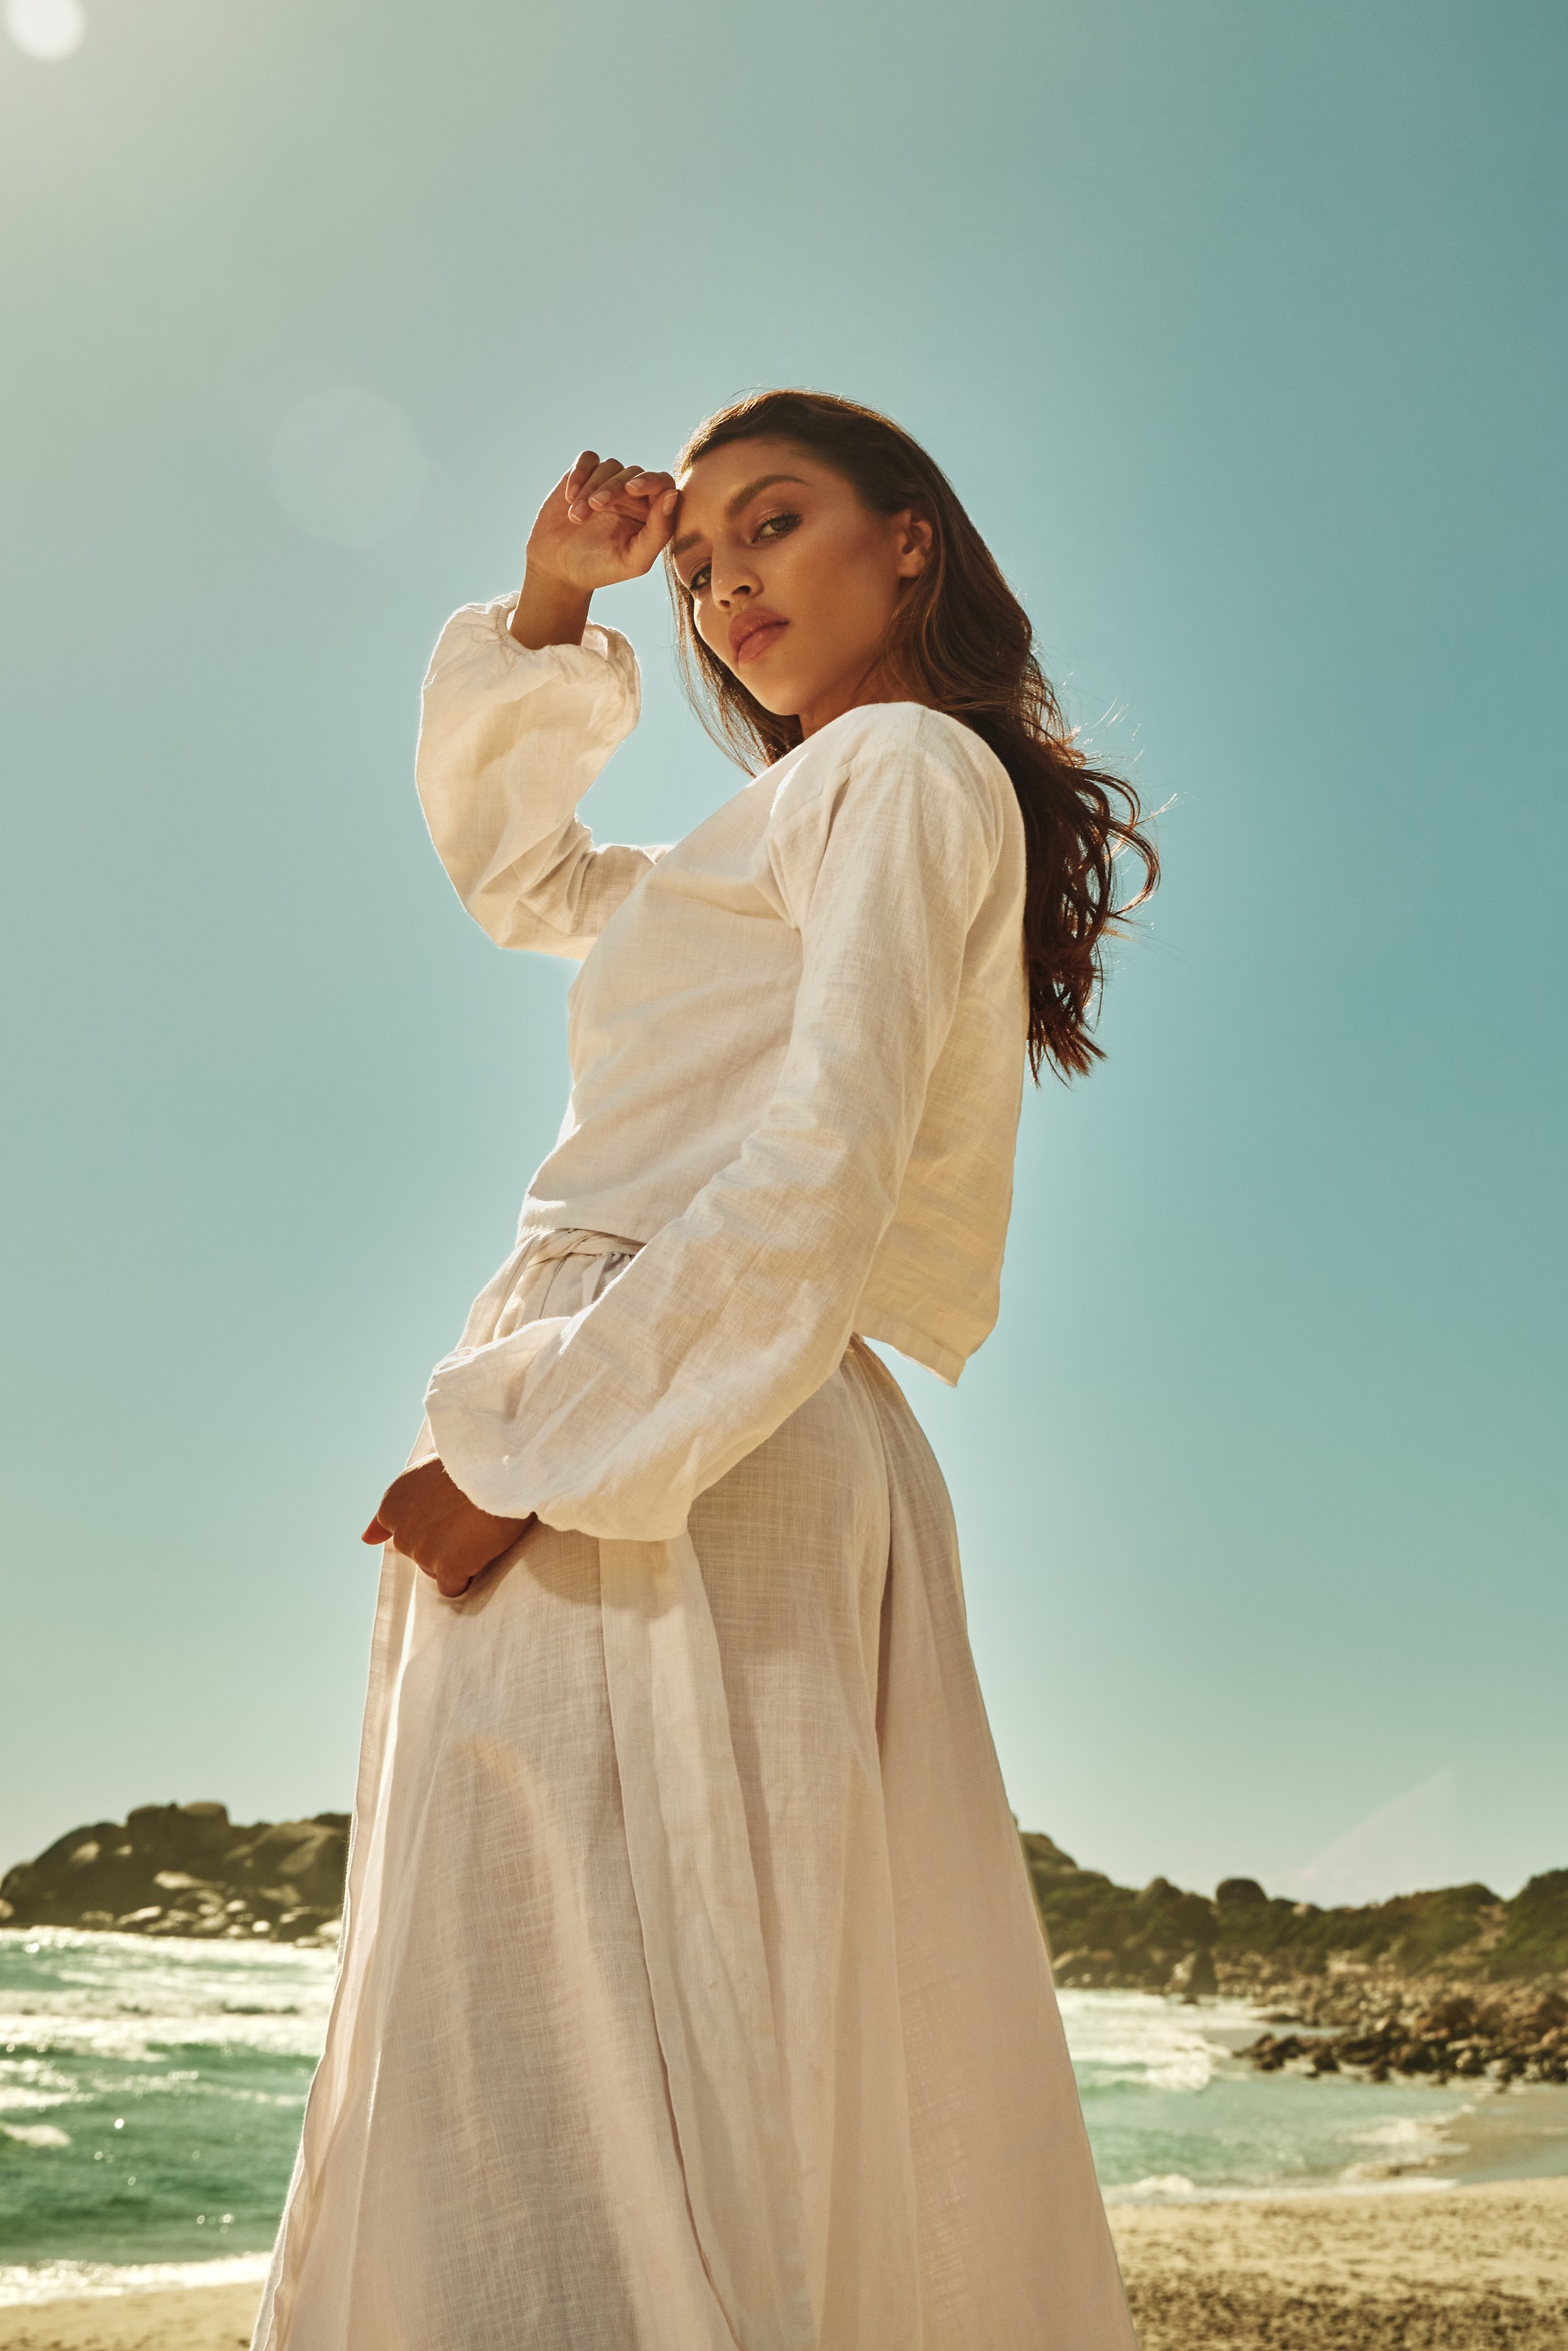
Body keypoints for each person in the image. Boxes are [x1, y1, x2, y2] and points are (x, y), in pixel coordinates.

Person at [252, 390, 1158, 2351]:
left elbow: (815, 1164)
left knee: (587, 2061)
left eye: (774, 522)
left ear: (908, 536)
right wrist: (551, 594)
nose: (727, 581)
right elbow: (523, 877)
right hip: (659, 1408)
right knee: (614, 2050)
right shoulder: (769, 826)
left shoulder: (902, 766)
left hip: (660, 1431)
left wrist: (525, 1443)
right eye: (699, 561)